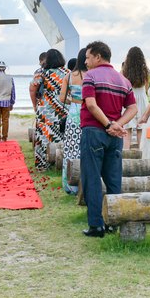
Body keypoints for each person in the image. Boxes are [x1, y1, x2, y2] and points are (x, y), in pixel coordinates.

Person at [80, 41, 137, 237]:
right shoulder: (123, 80)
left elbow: (91, 105)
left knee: (92, 178)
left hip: (94, 132)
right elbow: (133, 108)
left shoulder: (91, 76)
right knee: (114, 179)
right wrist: (118, 124)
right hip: (115, 137)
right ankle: (114, 221)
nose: (86, 62)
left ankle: (96, 225)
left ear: (98, 57)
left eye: (88, 57)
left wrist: (108, 125)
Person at [32, 49, 69, 171]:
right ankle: (62, 164)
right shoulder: (68, 73)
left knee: (44, 136)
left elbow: (32, 89)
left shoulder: (42, 73)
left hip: (45, 109)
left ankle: (43, 164)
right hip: (63, 108)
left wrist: (35, 105)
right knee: (62, 135)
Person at [58, 48, 87, 195]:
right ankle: (85, 182)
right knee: (85, 147)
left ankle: (70, 184)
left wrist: (73, 101)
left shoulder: (69, 76)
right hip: (88, 111)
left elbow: (61, 98)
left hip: (74, 112)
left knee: (71, 147)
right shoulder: (91, 75)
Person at [122, 47, 150, 149]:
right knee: (141, 129)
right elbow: (146, 88)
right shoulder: (145, 71)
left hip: (129, 100)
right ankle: (142, 154)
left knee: (127, 130)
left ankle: (125, 155)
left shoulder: (124, 71)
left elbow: (123, 87)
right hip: (142, 99)